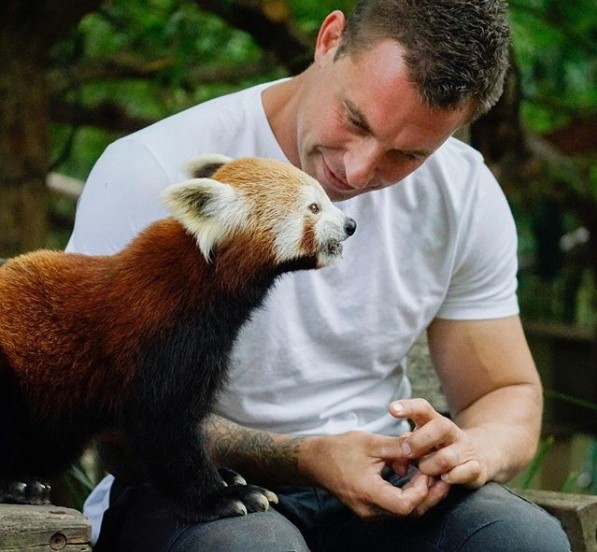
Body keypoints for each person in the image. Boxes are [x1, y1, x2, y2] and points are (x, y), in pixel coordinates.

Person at [71, 1, 571, 550]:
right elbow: (116, 416)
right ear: (329, 38)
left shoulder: (464, 191)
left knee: (522, 539)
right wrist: (306, 458)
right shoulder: (159, 171)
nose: (357, 172)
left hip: (383, 489)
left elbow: (504, 390)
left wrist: (474, 450)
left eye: (406, 154)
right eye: (356, 120)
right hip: (191, 491)